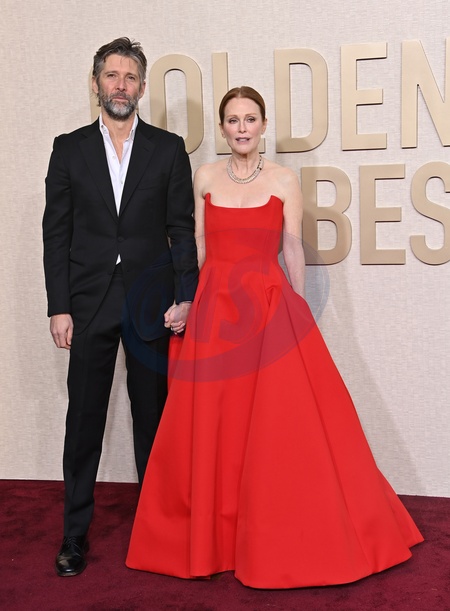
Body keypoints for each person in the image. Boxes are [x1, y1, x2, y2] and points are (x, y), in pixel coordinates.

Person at [125, 86, 423, 588]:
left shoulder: (284, 180)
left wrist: (299, 308)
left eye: (250, 119)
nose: (242, 128)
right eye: (233, 120)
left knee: (273, 424)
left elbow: (293, 249)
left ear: (263, 125)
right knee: (217, 423)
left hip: (266, 308)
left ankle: (276, 533)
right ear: (223, 128)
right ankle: (216, 538)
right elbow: (197, 244)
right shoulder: (205, 177)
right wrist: (186, 300)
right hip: (215, 310)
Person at [42, 37, 198, 577]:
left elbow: (182, 228)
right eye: (111, 75)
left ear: (142, 87)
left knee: (152, 420)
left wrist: (185, 296)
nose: (120, 85)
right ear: (95, 84)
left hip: (151, 302)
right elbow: (56, 234)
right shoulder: (68, 149)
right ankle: (74, 535)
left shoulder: (168, 148)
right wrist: (59, 306)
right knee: (84, 421)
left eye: (130, 77)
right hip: (88, 304)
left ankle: (159, 531)